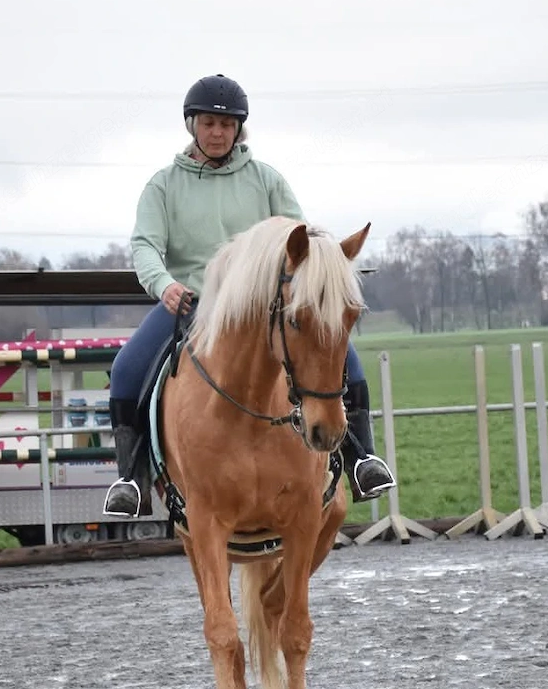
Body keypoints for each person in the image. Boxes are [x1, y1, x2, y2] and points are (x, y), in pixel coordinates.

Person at [103, 73, 396, 518]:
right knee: (126, 369)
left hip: (262, 308)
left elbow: (303, 237)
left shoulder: (266, 180)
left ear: (239, 129)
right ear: (192, 126)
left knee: (342, 355)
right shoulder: (163, 186)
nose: (217, 132)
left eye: (226, 125)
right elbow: (145, 245)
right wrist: (165, 286)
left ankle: (362, 459)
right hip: (193, 304)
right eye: (208, 123)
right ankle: (133, 478)